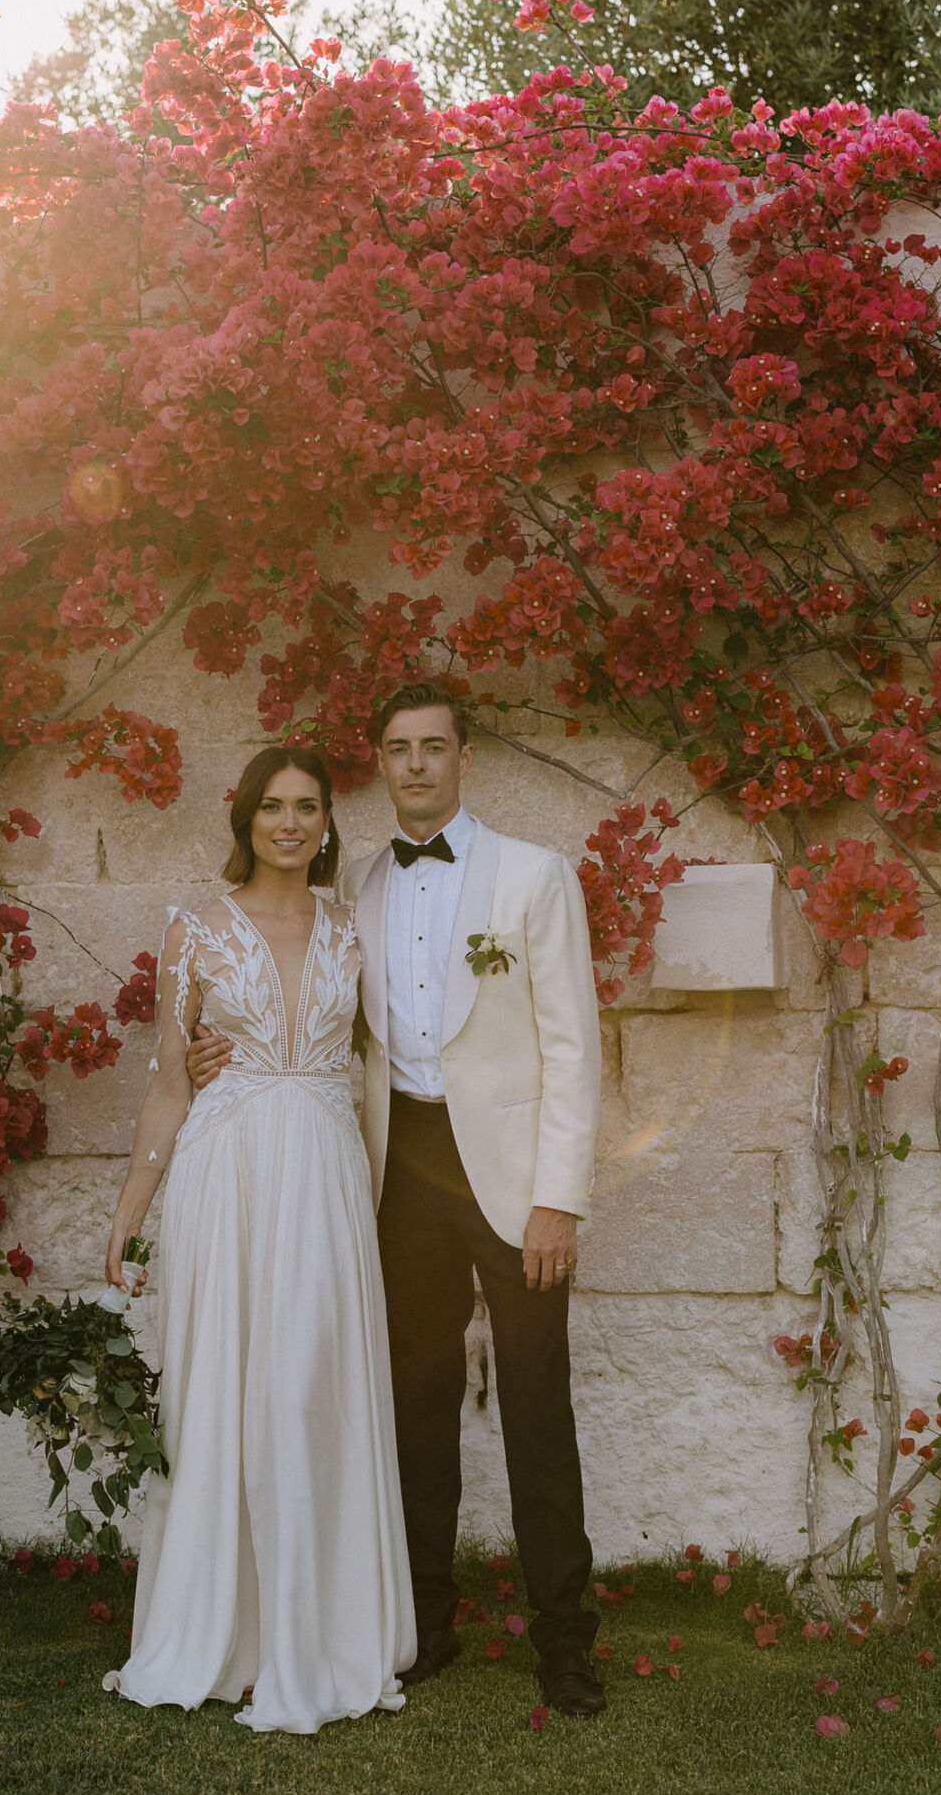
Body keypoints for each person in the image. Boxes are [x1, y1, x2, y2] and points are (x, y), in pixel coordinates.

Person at [190, 682, 606, 1718]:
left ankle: (565, 1642)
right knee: (411, 1409)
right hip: (399, 1171)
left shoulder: (534, 876)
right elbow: (318, 1017)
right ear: (379, 765)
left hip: (513, 1181)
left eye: (433, 747)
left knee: (536, 1409)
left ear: (465, 757)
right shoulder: (358, 892)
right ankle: (424, 1626)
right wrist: (217, 1051)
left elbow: (574, 1046)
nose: (415, 765)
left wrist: (559, 1196)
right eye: (396, 750)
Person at [103, 743, 415, 1733]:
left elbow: (385, 1057)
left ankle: (315, 1632)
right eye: (272, 806)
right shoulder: (195, 931)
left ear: (328, 822)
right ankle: (220, 1631)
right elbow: (167, 1082)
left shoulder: (354, 924)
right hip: (224, 1169)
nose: (289, 823)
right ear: (245, 818)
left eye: (307, 807)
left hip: (323, 1168)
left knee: (307, 1386)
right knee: (220, 1388)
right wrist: (129, 1213)